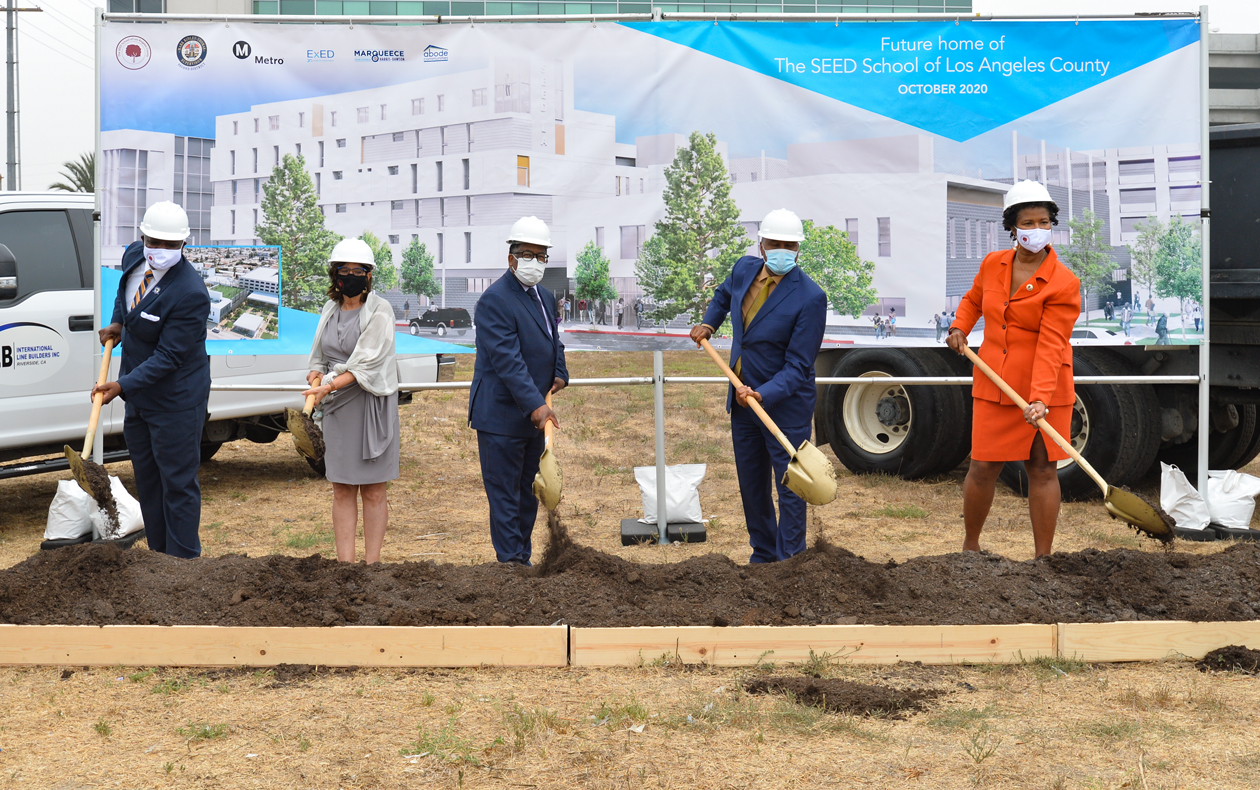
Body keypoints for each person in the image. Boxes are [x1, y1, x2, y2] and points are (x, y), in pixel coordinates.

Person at [946, 180, 1080, 559]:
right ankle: (970, 549)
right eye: (1028, 222)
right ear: (1012, 227)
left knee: (1041, 469)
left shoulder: (1064, 283)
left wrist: (1040, 398)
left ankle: (1043, 558)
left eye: (1043, 221)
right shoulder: (992, 264)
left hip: (1045, 388)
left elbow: (1053, 344)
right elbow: (973, 300)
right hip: (993, 382)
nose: (1036, 229)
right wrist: (959, 326)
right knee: (982, 466)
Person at [690, 208, 827, 563]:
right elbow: (723, 296)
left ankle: (790, 562)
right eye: (775, 243)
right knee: (752, 487)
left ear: (798, 249)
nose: (782, 250)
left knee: (791, 486)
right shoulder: (743, 269)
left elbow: (799, 367)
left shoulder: (810, 297)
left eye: (789, 245)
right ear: (762, 244)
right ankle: (764, 556)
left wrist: (763, 394)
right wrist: (710, 323)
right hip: (742, 402)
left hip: (784, 406)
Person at [93, 201, 211, 559]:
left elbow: (169, 357)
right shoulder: (133, 256)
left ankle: (184, 562)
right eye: (154, 242)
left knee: (177, 484)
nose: (160, 251)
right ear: (142, 237)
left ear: (184, 245)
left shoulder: (190, 293)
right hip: (140, 397)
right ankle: (159, 559)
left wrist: (121, 386)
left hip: (176, 400)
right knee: (147, 480)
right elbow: (124, 292)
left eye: (170, 246)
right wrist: (118, 322)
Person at [468, 216, 569, 565]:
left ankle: (521, 558)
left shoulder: (543, 295)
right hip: (501, 416)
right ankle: (510, 566)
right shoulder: (495, 300)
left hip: (532, 417)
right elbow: (507, 362)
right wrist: (537, 407)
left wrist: (559, 372)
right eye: (529, 254)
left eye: (542, 256)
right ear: (511, 258)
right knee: (505, 497)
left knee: (528, 494)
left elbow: (553, 341)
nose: (536, 263)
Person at [304, 238, 399, 564]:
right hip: (337, 412)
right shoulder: (329, 310)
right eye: (344, 271)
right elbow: (318, 357)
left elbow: (364, 364)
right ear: (335, 275)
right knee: (342, 488)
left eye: (358, 271)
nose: (351, 276)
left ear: (369, 276)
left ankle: (372, 567)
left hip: (371, 408)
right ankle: (345, 567)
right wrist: (315, 377)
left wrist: (327, 386)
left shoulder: (381, 311)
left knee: (373, 490)